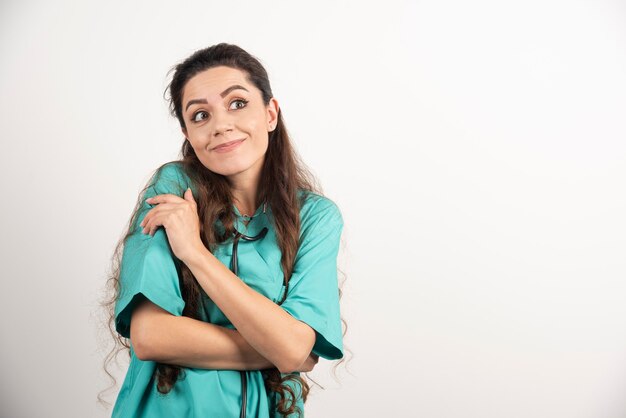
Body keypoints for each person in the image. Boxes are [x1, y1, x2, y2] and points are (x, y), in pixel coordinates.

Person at [104, 43, 345, 417]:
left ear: (270, 113)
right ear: (187, 133)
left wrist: (195, 254)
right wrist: (277, 347)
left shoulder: (315, 217)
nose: (220, 125)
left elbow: (296, 350)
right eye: (200, 115)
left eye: (237, 103)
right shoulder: (172, 189)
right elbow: (150, 336)